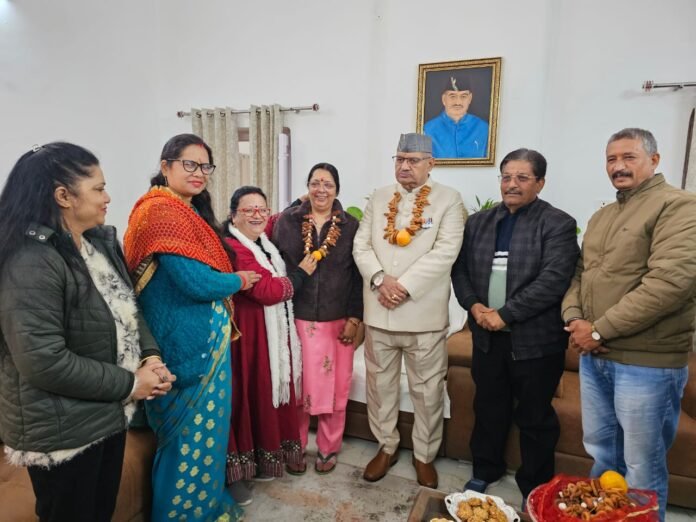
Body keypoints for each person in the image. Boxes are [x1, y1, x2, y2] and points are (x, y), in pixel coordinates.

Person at [0, 142, 173, 522]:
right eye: (98, 188)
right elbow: (44, 361)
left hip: (105, 412)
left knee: (99, 511)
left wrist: (150, 357)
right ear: (64, 196)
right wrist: (131, 384)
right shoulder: (31, 261)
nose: (107, 197)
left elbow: (127, 309)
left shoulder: (96, 244)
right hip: (64, 430)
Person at [123, 134, 259, 522]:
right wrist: (239, 280)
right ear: (165, 166)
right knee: (186, 445)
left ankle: (206, 508)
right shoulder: (161, 213)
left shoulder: (185, 210)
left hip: (203, 348)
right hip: (183, 352)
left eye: (205, 166)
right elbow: (196, 282)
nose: (199, 173)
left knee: (206, 444)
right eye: (189, 164)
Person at [562, 128, 696, 521]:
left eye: (628, 157)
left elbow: (669, 284)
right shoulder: (602, 216)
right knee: (603, 456)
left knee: (642, 466)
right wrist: (575, 319)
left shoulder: (679, 206)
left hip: (647, 363)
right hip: (596, 358)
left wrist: (598, 330)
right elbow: (579, 275)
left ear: (654, 160)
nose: (618, 166)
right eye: (611, 159)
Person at [451, 148, 579, 508]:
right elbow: (459, 270)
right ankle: (485, 469)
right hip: (487, 338)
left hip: (536, 343)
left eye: (522, 178)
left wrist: (505, 314)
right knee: (488, 408)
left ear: (540, 182)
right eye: (506, 177)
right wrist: (474, 305)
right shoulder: (478, 222)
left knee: (535, 418)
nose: (512, 184)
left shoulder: (557, 223)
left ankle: (535, 488)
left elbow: (553, 281)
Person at [353, 133, 466, 488]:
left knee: (427, 391)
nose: (404, 166)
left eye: (413, 160)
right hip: (379, 313)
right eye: (399, 159)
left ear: (431, 164)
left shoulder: (449, 199)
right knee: (379, 386)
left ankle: (424, 455)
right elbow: (361, 246)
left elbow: (446, 252)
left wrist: (402, 286)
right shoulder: (379, 197)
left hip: (423, 317)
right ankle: (386, 446)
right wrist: (379, 279)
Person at [223, 186, 314, 502]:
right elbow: (267, 291)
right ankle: (248, 465)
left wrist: (302, 200)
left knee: (267, 394)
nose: (257, 215)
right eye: (248, 210)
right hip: (250, 337)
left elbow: (275, 219)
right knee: (254, 394)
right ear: (233, 215)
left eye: (261, 208)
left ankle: (266, 458)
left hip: (269, 333)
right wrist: (301, 274)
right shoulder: (235, 247)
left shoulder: (263, 240)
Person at [273, 163, 363, 475]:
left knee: (336, 390)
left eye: (328, 184)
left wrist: (355, 317)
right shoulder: (287, 221)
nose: (320, 190)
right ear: (307, 186)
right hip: (297, 318)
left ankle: (328, 448)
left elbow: (358, 276)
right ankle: (294, 446)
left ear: (337, 189)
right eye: (315, 183)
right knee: (298, 388)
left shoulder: (350, 225)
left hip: (338, 320)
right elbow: (276, 265)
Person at [424, 75, 489, 159]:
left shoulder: (483, 128)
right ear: (444, 99)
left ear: (470, 99)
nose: (458, 102)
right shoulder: (428, 130)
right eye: (452, 96)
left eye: (463, 96)